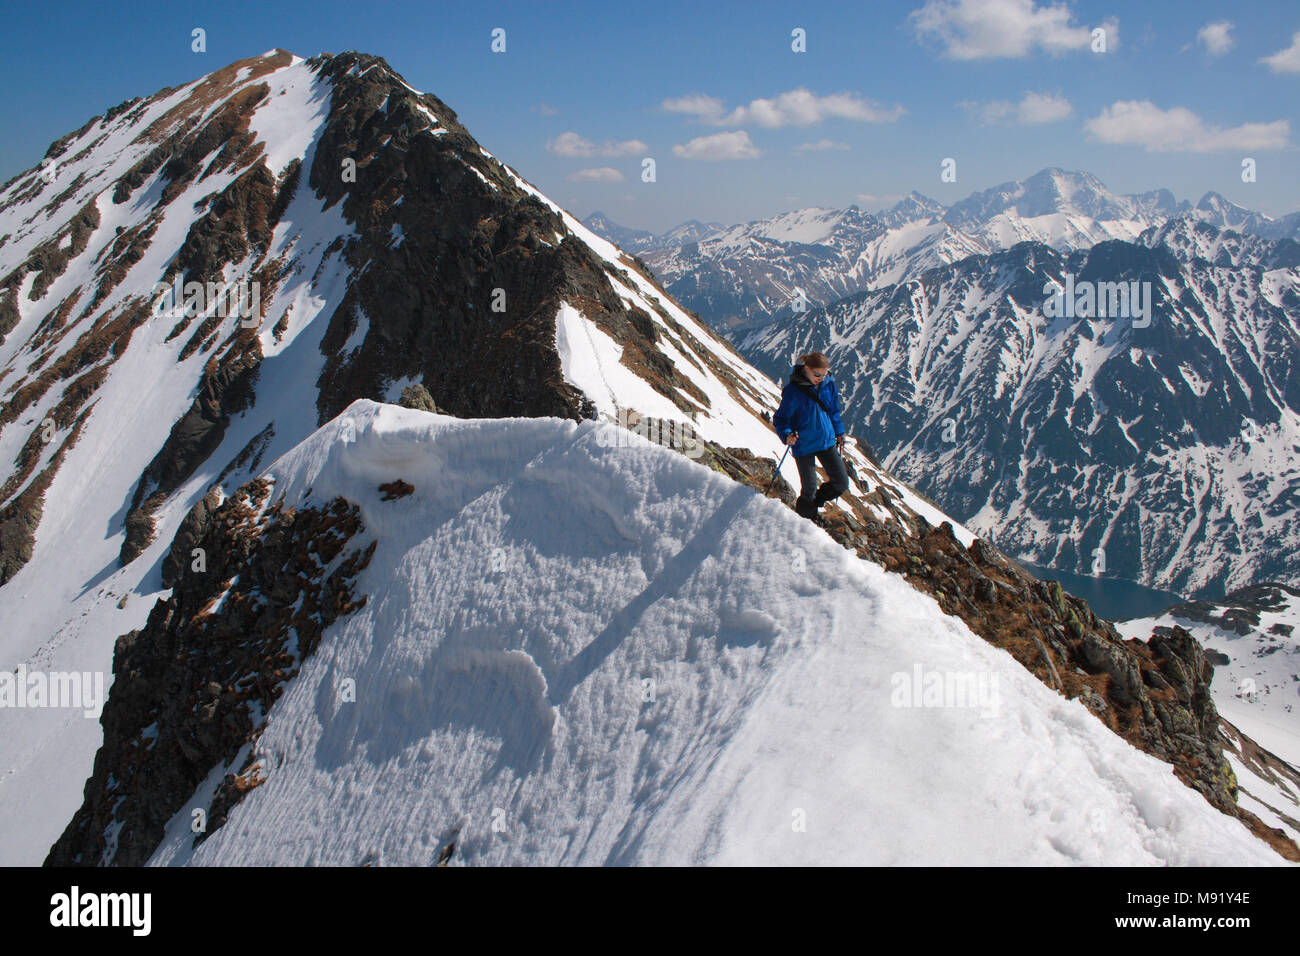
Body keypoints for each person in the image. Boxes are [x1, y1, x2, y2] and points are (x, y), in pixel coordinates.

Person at [772, 351, 850, 522]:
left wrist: (839, 432)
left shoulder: (827, 384)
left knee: (841, 483)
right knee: (809, 489)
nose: (821, 378)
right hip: (804, 444)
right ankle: (806, 522)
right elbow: (781, 418)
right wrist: (786, 435)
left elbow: (833, 411)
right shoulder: (793, 391)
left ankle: (814, 506)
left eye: (824, 374)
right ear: (806, 369)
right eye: (817, 374)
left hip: (826, 441)